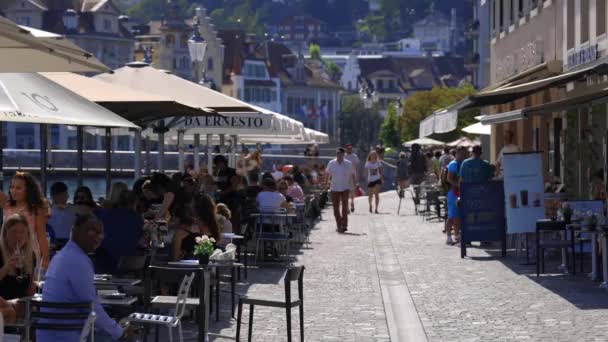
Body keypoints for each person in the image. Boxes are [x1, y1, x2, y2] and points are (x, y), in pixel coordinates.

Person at [39, 213, 139, 341]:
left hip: (51, 334)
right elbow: (93, 308)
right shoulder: (77, 260)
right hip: (69, 336)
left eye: (100, 233)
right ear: (74, 231)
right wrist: (121, 333)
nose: (98, 237)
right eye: (92, 231)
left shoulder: (61, 256)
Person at [0, 172, 49, 268]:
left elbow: (41, 237)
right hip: (7, 252)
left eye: (18, 188)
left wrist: (46, 260)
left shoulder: (36, 209)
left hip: (29, 253)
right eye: (12, 187)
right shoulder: (7, 204)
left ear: (28, 190)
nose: (13, 191)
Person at [94, 191, 144, 274]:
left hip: (105, 260)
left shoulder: (104, 213)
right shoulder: (137, 218)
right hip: (128, 262)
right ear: (134, 203)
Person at [0, 214, 36, 323]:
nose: (18, 236)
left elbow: (30, 290)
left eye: (22, 232)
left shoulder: (30, 255)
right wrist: (6, 268)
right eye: (14, 232)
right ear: (5, 234)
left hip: (20, 305)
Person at [171, 193, 220, 261]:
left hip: (185, 269)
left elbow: (175, 260)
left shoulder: (182, 232)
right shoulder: (213, 230)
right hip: (206, 269)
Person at [326, 148, 356, 233]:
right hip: (334, 188)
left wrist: (354, 184)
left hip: (345, 187)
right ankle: (339, 225)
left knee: (344, 207)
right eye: (338, 154)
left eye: (341, 154)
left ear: (344, 154)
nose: (339, 155)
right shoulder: (331, 163)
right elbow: (327, 174)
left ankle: (344, 224)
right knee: (335, 208)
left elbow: (353, 174)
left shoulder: (348, 164)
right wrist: (326, 184)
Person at [445, 147, 467, 245]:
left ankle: (456, 235)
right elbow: (449, 178)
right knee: (452, 216)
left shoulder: (462, 163)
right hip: (453, 193)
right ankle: (450, 236)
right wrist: (458, 185)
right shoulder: (453, 164)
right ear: (457, 153)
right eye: (461, 154)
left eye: (465, 154)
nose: (463, 156)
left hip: (458, 192)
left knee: (456, 215)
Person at [344, 144, 360, 213]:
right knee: (346, 191)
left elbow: (356, 167)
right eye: (348, 148)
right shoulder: (344, 156)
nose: (349, 149)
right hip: (345, 176)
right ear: (346, 149)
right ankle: (347, 207)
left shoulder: (354, 156)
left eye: (350, 148)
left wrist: (357, 177)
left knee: (352, 191)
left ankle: (352, 202)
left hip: (352, 175)